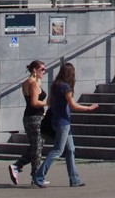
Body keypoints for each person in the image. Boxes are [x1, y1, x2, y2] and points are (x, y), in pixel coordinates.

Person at [31, 61, 98, 189]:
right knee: (58, 150)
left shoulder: (55, 85)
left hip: (57, 120)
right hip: (63, 122)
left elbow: (50, 101)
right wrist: (89, 108)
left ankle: (75, 179)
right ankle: (39, 176)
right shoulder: (66, 87)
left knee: (70, 150)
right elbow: (73, 105)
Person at [8, 59, 47, 186]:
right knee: (37, 147)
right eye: (42, 69)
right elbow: (34, 103)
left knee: (35, 146)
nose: (44, 72)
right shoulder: (34, 84)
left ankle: (17, 166)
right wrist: (48, 102)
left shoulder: (26, 83)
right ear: (34, 70)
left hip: (28, 117)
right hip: (36, 118)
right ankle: (36, 176)